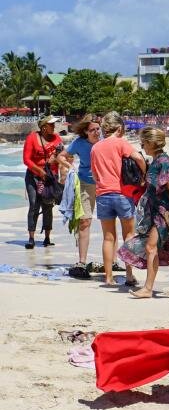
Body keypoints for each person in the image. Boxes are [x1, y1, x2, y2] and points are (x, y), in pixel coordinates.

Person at [118, 127, 169, 298]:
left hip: (164, 214)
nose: (142, 146)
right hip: (161, 213)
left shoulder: (162, 161)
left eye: (143, 142)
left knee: (150, 247)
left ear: (151, 143)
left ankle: (147, 289)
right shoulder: (158, 160)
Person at [91, 112, 145, 287]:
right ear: (119, 128)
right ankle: (129, 275)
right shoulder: (121, 142)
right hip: (122, 194)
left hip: (103, 195)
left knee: (108, 238)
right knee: (128, 235)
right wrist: (143, 174)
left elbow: (94, 174)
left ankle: (108, 277)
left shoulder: (96, 148)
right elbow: (138, 157)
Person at [22, 115, 66, 250]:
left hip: (50, 178)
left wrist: (61, 174)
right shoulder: (32, 138)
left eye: (54, 124)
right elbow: (26, 160)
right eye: (51, 125)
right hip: (33, 177)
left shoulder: (57, 138)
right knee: (34, 205)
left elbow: (63, 155)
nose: (54, 127)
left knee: (48, 206)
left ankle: (47, 238)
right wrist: (39, 172)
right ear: (44, 127)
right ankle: (31, 238)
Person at [65, 115, 100, 272]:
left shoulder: (104, 141)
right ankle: (82, 262)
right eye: (93, 130)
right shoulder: (79, 143)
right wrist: (70, 167)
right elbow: (61, 156)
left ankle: (113, 262)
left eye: (98, 129)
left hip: (105, 185)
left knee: (110, 222)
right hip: (85, 184)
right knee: (84, 222)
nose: (97, 132)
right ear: (86, 131)